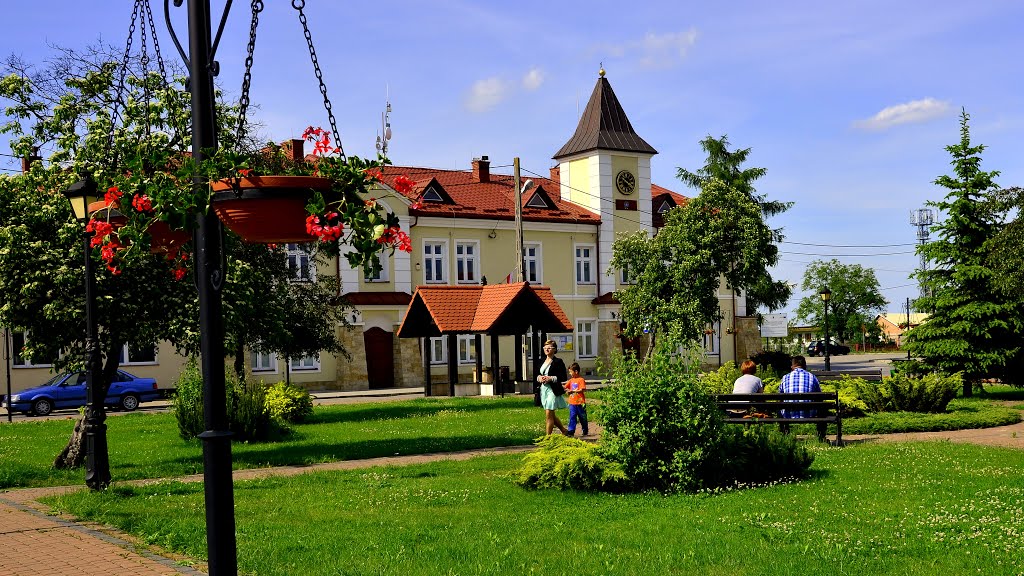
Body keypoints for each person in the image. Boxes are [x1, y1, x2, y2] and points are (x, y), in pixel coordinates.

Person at [779, 355, 824, 437]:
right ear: (805, 366)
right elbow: (820, 396)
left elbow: (780, 397)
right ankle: (821, 436)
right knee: (822, 407)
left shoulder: (785, 377)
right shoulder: (812, 377)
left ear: (792, 366)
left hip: (788, 413)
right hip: (809, 413)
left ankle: (785, 434)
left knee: (780, 408)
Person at [537, 339, 570, 435]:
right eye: (545, 348)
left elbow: (563, 377)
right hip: (544, 390)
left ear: (554, 349)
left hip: (553, 390)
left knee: (548, 414)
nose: (546, 349)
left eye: (549, 348)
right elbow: (537, 373)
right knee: (550, 414)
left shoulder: (558, 361)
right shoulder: (542, 360)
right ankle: (564, 430)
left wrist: (551, 378)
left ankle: (548, 438)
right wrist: (539, 378)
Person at [564, 362, 589, 437]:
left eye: (570, 372)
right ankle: (571, 431)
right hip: (572, 403)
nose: (570, 374)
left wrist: (573, 391)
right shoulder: (571, 380)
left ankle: (585, 430)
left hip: (580, 403)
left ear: (576, 371)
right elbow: (565, 387)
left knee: (582, 417)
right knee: (572, 416)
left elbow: (582, 389)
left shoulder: (581, 380)